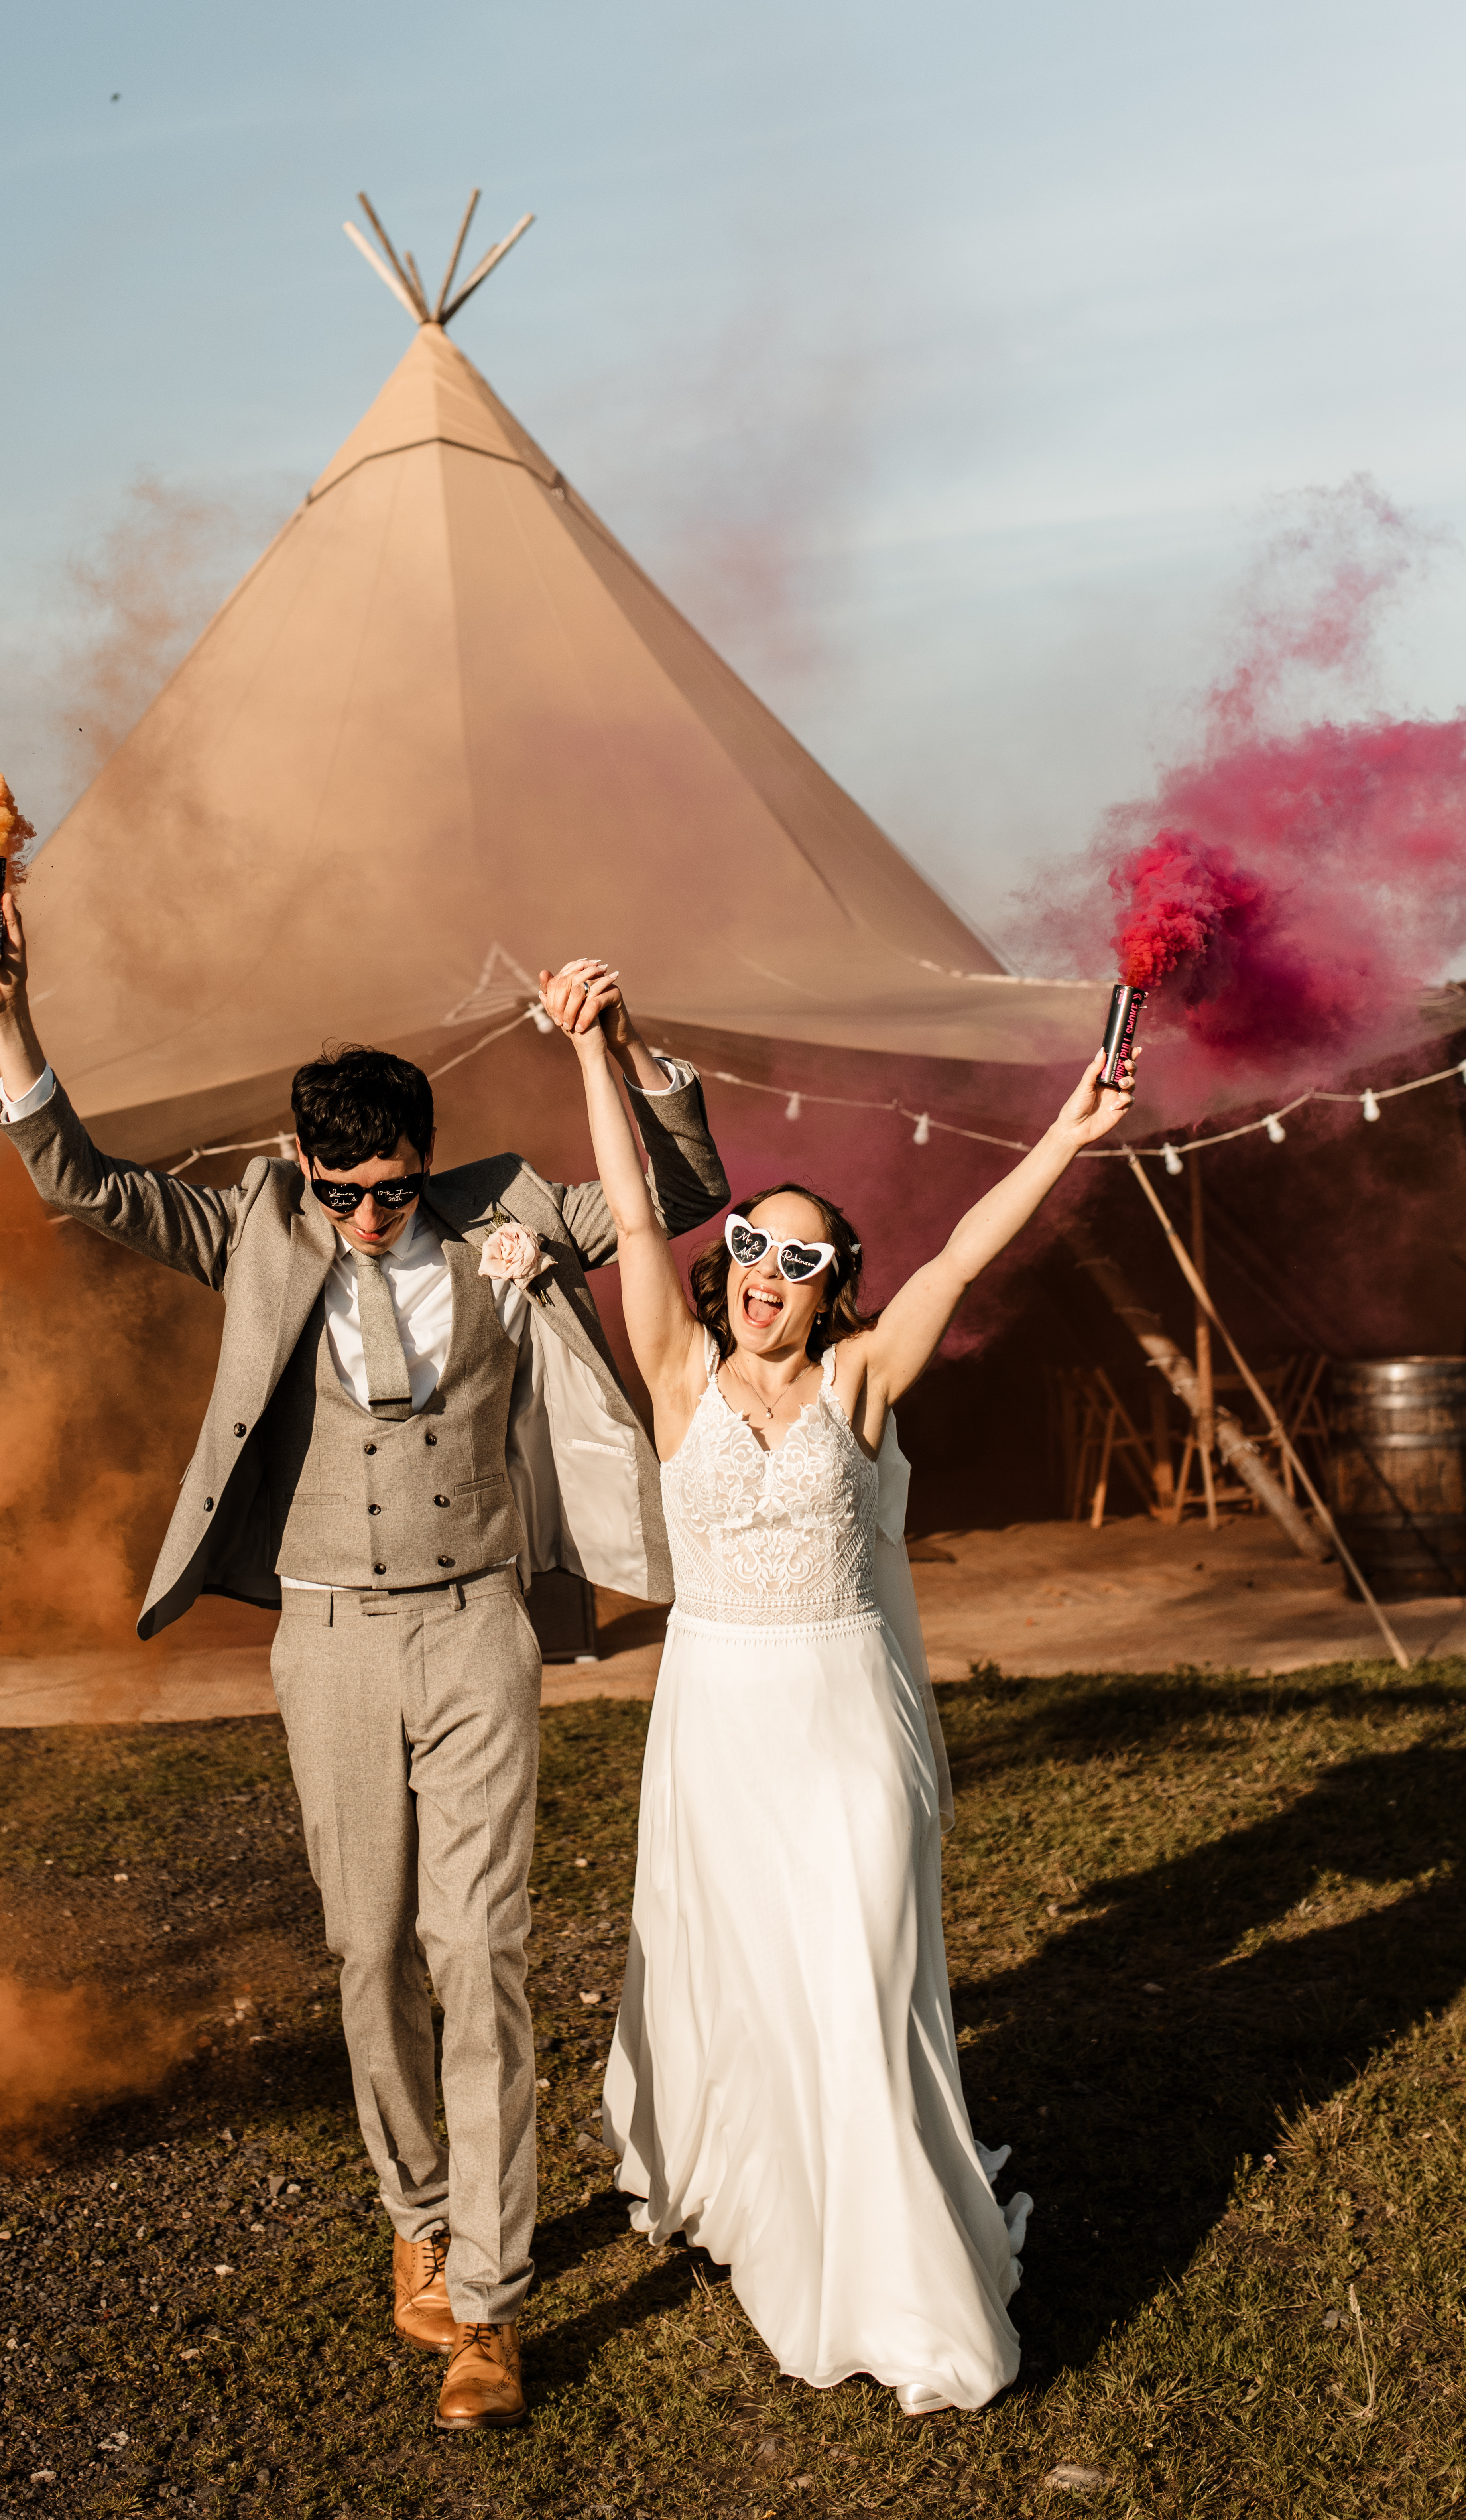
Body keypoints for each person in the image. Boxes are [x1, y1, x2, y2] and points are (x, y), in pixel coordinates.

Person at [0, 892, 728, 2433]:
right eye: (347, 1192)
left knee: (481, 1953)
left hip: (479, 1622)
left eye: (396, 1188)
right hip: (326, 1635)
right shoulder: (251, 1221)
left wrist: (625, 1048)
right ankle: (417, 2217)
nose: (373, 1216)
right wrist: (4, 1011)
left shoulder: (507, 1202)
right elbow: (76, 1177)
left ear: (426, 1162)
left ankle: (492, 2312)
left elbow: (683, 1188)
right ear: (304, 1167)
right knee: (369, 1952)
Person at [538, 957, 1135, 2416]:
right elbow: (625, 1214)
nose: (769, 1274)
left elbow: (958, 1266)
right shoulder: (674, 1372)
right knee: (748, 1977)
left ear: (830, 1292)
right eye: (753, 1243)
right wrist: (594, 1055)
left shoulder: (862, 1382)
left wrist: (1066, 1132)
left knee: (863, 1977)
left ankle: (893, 2266)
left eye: (803, 1261)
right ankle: (772, 2204)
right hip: (719, 1724)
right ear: (725, 1257)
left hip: (849, 1716)